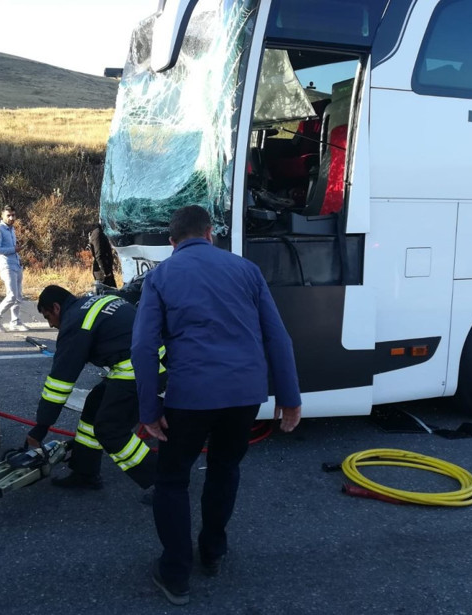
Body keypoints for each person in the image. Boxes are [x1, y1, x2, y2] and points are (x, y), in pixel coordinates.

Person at [131, 205, 302, 606]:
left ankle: (175, 574)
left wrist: (148, 411)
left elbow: (141, 347)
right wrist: (290, 399)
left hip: (190, 396)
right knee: (225, 468)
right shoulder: (246, 270)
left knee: (172, 480)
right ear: (210, 234)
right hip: (244, 394)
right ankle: (213, 551)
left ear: (172, 242)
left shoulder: (160, 276)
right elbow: (278, 338)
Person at [25, 285, 163, 491]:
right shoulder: (95, 302)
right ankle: (85, 472)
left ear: (56, 307)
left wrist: (41, 428)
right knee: (94, 405)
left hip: (141, 371)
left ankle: (162, 483)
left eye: (48, 317)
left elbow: (59, 383)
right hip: (151, 362)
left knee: (110, 430)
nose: (51, 325)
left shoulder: (75, 323)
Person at [0, 206, 28, 332]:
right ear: (2, 215)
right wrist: (13, 250)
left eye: (13, 215)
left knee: (18, 296)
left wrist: (17, 252)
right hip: (7, 267)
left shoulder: (11, 229)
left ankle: (15, 321)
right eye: (8, 215)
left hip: (16, 264)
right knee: (11, 296)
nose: (11, 218)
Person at [88, 223, 116, 288]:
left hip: (104, 271)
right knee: (110, 294)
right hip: (101, 273)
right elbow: (98, 255)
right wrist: (106, 272)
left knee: (113, 293)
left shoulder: (100, 232)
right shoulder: (97, 233)